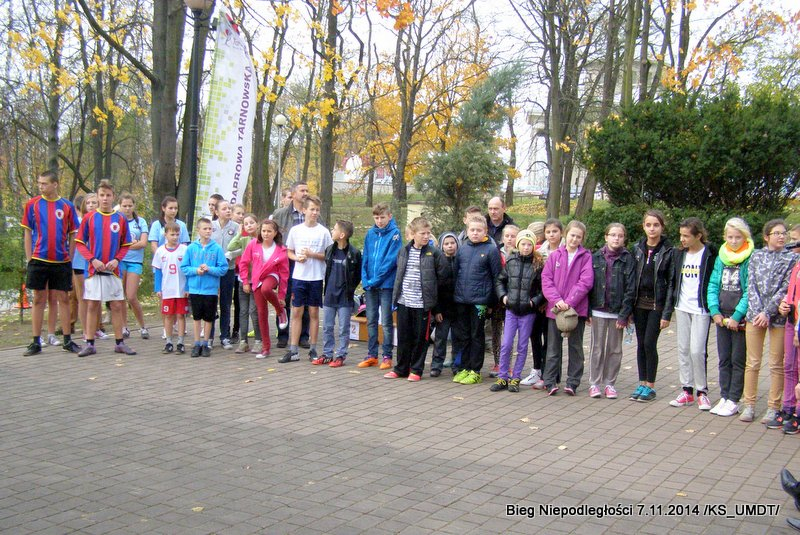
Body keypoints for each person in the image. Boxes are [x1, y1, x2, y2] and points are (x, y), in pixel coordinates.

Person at [740, 219, 796, 425]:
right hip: (755, 315)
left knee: (776, 364)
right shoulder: (756, 256)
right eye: (776, 233)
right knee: (752, 362)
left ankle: (773, 407)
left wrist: (768, 312)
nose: (781, 236)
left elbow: (785, 288)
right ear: (766, 237)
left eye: (784, 233)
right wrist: (758, 312)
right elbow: (751, 284)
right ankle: (749, 404)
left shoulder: (792, 258)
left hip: (778, 317)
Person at [21, 170, 81, 355]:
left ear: (55, 184)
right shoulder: (32, 204)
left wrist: (70, 256)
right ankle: (35, 341)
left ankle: (67, 339)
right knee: (38, 298)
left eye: (44, 183)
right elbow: (27, 232)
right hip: (39, 259)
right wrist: (29, 258)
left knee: (63, 298)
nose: (41, 186)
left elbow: (73, 234)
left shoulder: (67, 206)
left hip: (61, 260)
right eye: (39, 183)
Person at [384, 217, 450, 381]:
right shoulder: (403, 251)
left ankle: (416, 369)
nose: (426, 236)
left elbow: (443, 281)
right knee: (403, 337)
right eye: (422, 233)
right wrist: (396, 299)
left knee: (420, 338)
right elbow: (399, 276)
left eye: (428, 233)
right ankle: (401, 369)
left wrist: (437, 308)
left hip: (423, 305)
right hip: (404, 302)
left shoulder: (434, 253)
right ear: (413, 234)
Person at [75, 180, 135, 357]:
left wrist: (117, 260)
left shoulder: (120, 218)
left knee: (116, 305)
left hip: (113, 271)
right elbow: (80, 243)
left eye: (108, 195)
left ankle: (119, 343)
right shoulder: (89, 218)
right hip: (93, 271)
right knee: (92, 305)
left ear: (113, 197)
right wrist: (92, 260)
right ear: (97, 196)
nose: (105, 198)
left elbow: (126, 244)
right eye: (102, 195)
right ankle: (89, 343)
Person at [669, 217, 717, 410]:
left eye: (686, 236)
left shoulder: (709, 254)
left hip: (701, 308)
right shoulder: (679, 254)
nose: (682, 239)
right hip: (682, 307)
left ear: (698, 236)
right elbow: (673, 280)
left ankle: (702, 391)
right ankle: (687, 390)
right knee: (683, 349)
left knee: (697, 350)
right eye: (681, 235)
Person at [707, 217, 753, 417]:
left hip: (738, 319)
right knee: (724, 358)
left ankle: (734, 399)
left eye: (738, 237)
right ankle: (724, 396)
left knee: (737, 359)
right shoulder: (721, 257)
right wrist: (714, 311)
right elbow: (713, 285)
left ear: (745, 237)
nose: (733, 241)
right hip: (722, 316)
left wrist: (737, 315)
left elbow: (750, 290)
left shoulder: (750, 258)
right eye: (730, 237)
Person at [541, 220, 593, 395]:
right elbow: (546, 280)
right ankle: (550, 381)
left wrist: (570, 302)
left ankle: (573, 382)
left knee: (575, 347)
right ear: (566, 234)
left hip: (576, 311)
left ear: (582, 238)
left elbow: (586, 282)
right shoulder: (555, 256)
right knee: (553, 347)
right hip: (555, 310)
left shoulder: (586, 257)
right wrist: (557, 300)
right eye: (572, 235)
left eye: (578, 237)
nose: (574, 239)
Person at [279, 195, 333, 363]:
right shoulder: (296, 230)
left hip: (316, 278)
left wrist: (312, 254)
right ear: (304, 210)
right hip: (299, 277)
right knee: (296, 311)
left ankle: (313, 349)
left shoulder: (323, 232)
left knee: (314, 312)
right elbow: (289, 251)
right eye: (312, 209)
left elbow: (328, 255)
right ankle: (293, 350)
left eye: (317, 210)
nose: (315, 213)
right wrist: (297, 258)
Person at [490, 230, 544, 393]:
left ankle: (516, 378)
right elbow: (500, 281)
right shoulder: (511, 261)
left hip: (528, 312)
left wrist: (534, 302)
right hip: (511, 310)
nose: (526, 248)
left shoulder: (537, 265)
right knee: (506, 344)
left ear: (533, 246)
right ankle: (502, 377)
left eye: (529, 245)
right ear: (518, 245)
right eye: (523, 244)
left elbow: (543, 289)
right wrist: (503, 297)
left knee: (522, 346)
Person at [630, 210, 675, 403]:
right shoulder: (637, 248)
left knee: (650, 343)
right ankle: (642, 383)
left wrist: (667, 313)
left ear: (662, 227)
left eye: (656, 225)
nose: (652, 229)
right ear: (643, 226)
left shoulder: (669, 251)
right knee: (641, 344)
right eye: (648, 225)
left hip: (657, 304)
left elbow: (671, 282)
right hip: (639, 303)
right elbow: (631, 278)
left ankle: (651, 385)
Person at [587, 223, 636, 399]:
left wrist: (624, 314)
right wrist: (587, 311)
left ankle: (609, 383)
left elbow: (631, 289)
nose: (616, 238)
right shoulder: (595, 257)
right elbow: (589, 285)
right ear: (606, 237)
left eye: (620, 236)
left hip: (617, 312)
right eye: (613, 235)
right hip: (598, 309)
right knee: (597, 348)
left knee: (615, 349)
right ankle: (594, 383)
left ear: (624, 238)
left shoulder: (628, 259)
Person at [451, 216, 502, 385]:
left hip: (480, 302)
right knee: (463, 335)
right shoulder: (463, 249)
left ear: (485, 231)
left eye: (479, 230)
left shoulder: (491, 250)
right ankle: (464, 368)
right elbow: (456, 273)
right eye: (472, 230)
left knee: (476, 335)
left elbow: (497, 277)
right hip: (461, 300)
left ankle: (475, 370)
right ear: (467, 231)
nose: (475, 233)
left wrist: (493, 303)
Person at [358, 202, 402, 369]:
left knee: (386, 321)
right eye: (376, 218)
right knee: (371, 319)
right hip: (370, 285)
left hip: (386, 285)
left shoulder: (395, 234)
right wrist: (365, 279)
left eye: (382, 217)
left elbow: (391, 260)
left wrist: (375, 279)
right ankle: (372, 354)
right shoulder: (370, 233)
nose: (379, 221)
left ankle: (387, 356)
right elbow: (366, 257)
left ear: (389, 216)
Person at [522, 219, 563, 388]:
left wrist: (550, 300)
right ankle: (537, 370)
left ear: (561, 232)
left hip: (556, 303)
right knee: (535, 336)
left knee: (552, 339)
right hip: (538, 301)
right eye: (548, 232)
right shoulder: (539, 253)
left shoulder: (566, 251)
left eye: (555, 231)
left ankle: (551, 374)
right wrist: (539, 299)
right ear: (544, 234)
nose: (551, 235)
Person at [240, 219, 289, 359]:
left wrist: (281, 296)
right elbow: (243, 263)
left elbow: (284, 274)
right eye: (264, 231)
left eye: (269, 231)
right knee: (261, 313)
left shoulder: (281, 250)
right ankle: (266, 348)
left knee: (266, 289)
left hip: (272, 276)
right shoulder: (253, 244)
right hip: (257, 279)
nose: (266, 234)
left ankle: (280, 311)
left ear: (275, 233)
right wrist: (245, 281)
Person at [180, 217, 229, 358]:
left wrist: (210, 269)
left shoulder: (217, 248)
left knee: (209, 317)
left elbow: (223, 268)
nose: (208, 231)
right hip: (195, 289)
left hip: (210, 290)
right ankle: (196, 343)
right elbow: (184, 267)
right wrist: (196, 271)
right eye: (205, 229)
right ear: (198, 230)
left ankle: (206, 343)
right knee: (196, 317)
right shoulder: (191, 248)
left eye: (210, 229)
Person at [271, 181, 311, 348]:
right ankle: (282, 334)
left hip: (306, 261)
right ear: (293, 194)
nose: (305, 193)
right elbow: (273, 236)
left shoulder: (312, 212)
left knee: (304, 299)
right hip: (285, 261)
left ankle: (303, 336)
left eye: (307, 190)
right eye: (302, 190)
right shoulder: (280, 214)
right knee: (284, 298)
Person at [318, 220, 362, 367]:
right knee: (327, 326)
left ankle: (341, 355)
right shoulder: (329, 250)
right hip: (330, 294)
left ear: (342, 235)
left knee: (344, 328)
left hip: (345, 297)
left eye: (335, 229)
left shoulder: (354, 253)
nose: (332, 231)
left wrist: (349, 290)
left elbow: (357, 275)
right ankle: (327, 354)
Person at [152, 222, 189, 354]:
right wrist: (158, 288)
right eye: (172, 234)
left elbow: (188, 270)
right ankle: (168, 342)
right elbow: (158, 271)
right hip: (167, 288)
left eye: (177, 234)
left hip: (181, 288)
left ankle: (180, 342)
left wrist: (187, 287)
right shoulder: (160, 251)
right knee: (168, 315)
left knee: (180, 315)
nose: (175, 237)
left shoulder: (184, 250)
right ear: (165, 234)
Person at [118, 193, 149, 340]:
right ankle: (124, 327)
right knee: (120, 296)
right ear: (120, 206)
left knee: (131, 296)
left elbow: (143, 243)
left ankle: (142, 326)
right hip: (120, 260)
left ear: (134, 206)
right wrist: (131, 245)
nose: (127, 208)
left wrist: (125, 245)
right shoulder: (117, 221)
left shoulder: (140, 221)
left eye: (130, 205)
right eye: (124, 206)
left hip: (135, 262)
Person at [229, 213, 261, 354]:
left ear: (257, 224)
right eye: (246, 224)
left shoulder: (261, 240)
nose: (249, 226)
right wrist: (239, 233)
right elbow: (230, 247)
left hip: (257, 282)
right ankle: (243, 341)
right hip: (244, 280)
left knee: (254, 311)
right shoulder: (243, 240)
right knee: (243, 311)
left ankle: (259, 340)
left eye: (251, 223)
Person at [211, 199, 240, 350]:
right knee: (211, 302)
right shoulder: (210, 226)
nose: (228, 211)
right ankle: (209, 336)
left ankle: (225, 336)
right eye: (224, 209)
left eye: (229, 208)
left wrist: (229, 255)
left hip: (228, 269)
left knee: (226, 303)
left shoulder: (236, 227)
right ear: (216, 212)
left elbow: (242, 246)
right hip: (212, 270)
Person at [780, 226, 800, 431]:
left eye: (795, 240)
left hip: (798, 326)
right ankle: (788, 407)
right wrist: (784, 303)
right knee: (789, 365)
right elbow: (792, 292)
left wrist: (798, 330)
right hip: (791, 320)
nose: (791, 244)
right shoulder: (796, 264)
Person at [431, 232, 459, 376]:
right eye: (446, 244)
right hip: (443, 309)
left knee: (457, 338)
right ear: (442, 246)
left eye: (452, 243)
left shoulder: (461, 261)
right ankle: (436, 365)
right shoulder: (438, 263)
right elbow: (435, 288)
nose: (450, 246)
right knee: (440, 338)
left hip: (458, 308)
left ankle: (456, 364)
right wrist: (436, 310)